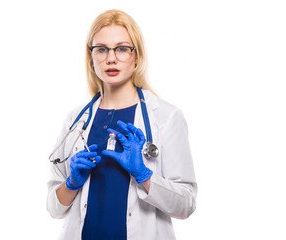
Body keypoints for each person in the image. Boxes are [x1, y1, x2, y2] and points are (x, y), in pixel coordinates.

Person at [47, 9, 197, 240]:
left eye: (122, 48)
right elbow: (54, 209)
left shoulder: (166, 117)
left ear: (137, 57)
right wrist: (71, 183)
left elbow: (186, 204)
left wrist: (143, 174)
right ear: (91, 58)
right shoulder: (76, 120)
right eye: (102, 49)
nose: (111, 58)